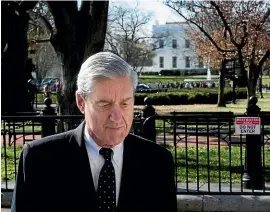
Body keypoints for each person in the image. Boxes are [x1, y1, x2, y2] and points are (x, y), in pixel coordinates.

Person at [11, 52, 177, 212]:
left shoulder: (158, 162)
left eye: (125, 104)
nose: (117, 117)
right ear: (81, 102)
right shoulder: (39, 159)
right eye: (105, 104)